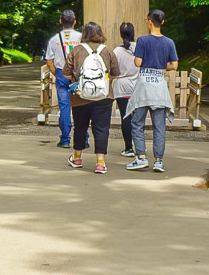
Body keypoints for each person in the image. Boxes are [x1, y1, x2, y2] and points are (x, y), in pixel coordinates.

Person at [124, 9, 178, 173]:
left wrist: (138, 58)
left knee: (137, 123)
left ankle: (140, 157)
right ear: (162, 22)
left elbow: (138, 62)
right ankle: (158, 161)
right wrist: (163, 65)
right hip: (159, 86)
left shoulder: (142, 40)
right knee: (159, 126)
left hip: (144, 87)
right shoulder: (169, 42)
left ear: (149, 22)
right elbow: (174, 65)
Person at [63, 21, 118, 174]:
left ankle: (77, 158)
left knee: (80, 127)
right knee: (101, 129)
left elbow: (66, 72)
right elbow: (116, 73)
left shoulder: (76, 50)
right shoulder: (107, 51)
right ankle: (100, 163)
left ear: (84, 34)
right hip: (103, 97)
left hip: (80, 97)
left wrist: (76, 81)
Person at [43, 10, 82, 148]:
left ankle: (65, 139)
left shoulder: (54, 40)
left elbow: (49, 62)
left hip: (61, 73)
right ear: (75, 21)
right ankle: (83, 138)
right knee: (80, 105)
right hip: (78, 74)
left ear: (61, 21)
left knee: (64, 107)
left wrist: (57, 74)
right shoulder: (81, 37)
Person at [112, 22, 140, 158]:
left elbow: (113, 70)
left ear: (120, 34)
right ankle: (140, 147)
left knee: (126, 117)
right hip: (137, 86)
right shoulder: (140, 48)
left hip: (122, 87)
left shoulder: (117, 51)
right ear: (134, 33)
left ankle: (128, 148)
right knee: (137, 118)